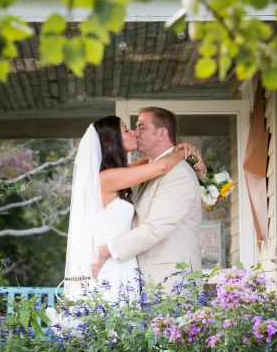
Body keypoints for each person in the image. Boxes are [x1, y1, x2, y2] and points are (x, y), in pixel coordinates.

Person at [63, 114, 204, 304]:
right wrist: (182, 153)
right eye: (126, 130)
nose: (134, 133)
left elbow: (152, 163)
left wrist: (180, 155)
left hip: (122, 260)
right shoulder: (107, 178)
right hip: (109, 258)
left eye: (138, 127)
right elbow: (160, 167)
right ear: (112, 140)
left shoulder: (116, 173)